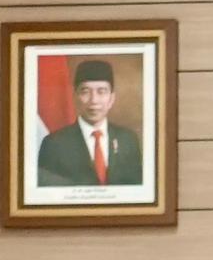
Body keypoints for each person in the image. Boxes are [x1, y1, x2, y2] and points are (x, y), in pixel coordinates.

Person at [33, 58, 145, 189]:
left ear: (111, 98)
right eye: (85, 91)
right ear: (75, 97)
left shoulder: (128, 140)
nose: (94, 100)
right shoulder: (53, 144)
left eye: (101, 91)